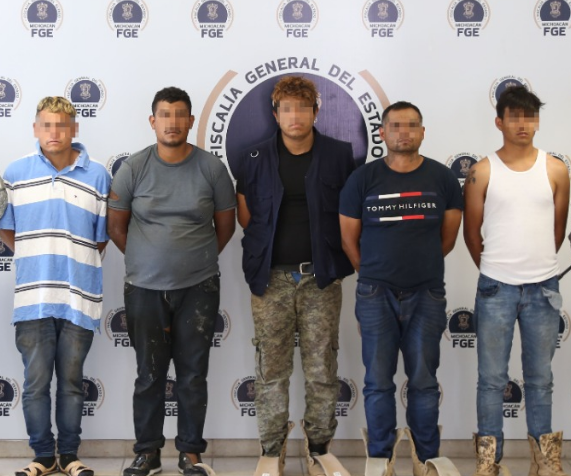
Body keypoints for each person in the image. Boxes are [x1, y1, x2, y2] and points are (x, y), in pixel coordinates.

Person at [107, 86, 236, 476]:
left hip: (199, 287)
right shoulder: (134, 168)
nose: (173, 122)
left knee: (193, 374)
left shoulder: (211, 168)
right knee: (149, 374)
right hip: (144, 288)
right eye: (165, 114)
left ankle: (190, 453)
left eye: (180, 114)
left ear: (191, 121)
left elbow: (225, 227)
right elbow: (116, 227)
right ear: (153, 121)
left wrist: (192, 260)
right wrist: (148, 259)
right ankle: (147, 452)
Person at [234, 76, 355, 476]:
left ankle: (319, 447)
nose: (295, 116)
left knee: (322, 367)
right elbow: (247, 217)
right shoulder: (253, 158)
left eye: (303, 107)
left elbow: (348, 214)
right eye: (287, 108)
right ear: (275, 114)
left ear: (316, 112)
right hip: (271, 281)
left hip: (321, 279)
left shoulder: (339, 155)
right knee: (271, 369)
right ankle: (272, 450)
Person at [339, 101, 463, 476]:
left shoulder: (442, 178)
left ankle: (426, 460)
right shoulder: (362, 179)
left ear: (422, 132)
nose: (403, 132)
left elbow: (447, 239)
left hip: (427, 294)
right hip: (375, 294)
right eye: (395, 125)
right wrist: (374, 273)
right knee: (378, 381)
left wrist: (417, 266)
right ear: (382, 133)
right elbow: (349, 240)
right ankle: (381, 459)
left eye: (411, 125)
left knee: (423, 380)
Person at [0, 96, 110, 476]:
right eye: (46, 125)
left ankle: (70, 456)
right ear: (35, 128)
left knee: (72, 383)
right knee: (35, 384)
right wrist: (36, 255)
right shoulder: (15, 174)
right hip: (33, 296)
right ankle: (43, 457)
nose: (54, 132)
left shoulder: (98, 176)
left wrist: (72, 259)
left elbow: (101, 239)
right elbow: (8, 230)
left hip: (79, 296)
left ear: (74, 129)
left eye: (62, 125)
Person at [463, 85, 570, 476]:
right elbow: (471, 233)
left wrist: (535, 267)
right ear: (499, 122)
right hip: (496, 288)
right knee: (491, 379)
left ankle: (545, 463)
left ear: (537, 122)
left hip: (544, 289)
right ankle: (489, 464)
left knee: (541, 378)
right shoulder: (481, 171)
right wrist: (498, 269)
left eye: (529, 116)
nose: (522, 124)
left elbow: (557, 231)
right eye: (514, 116)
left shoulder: (556, 170)